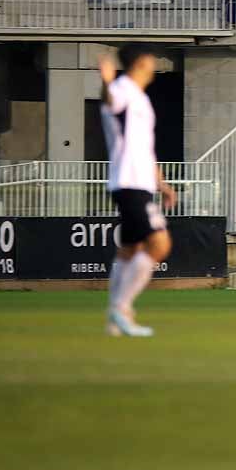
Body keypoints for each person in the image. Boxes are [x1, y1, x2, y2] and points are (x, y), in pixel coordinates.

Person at [99, 44, 177, 338]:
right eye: (152, 58)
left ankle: (114, 316)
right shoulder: (122, 89)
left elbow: (145, 148)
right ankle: (121, 308)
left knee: (130, 250)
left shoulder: (140, 98)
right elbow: (110, 102)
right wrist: (106, 80)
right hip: (129, 183)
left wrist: (161, 183)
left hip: (139, 183)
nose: (155, 63)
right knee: (159, 245)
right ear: (142, 61)